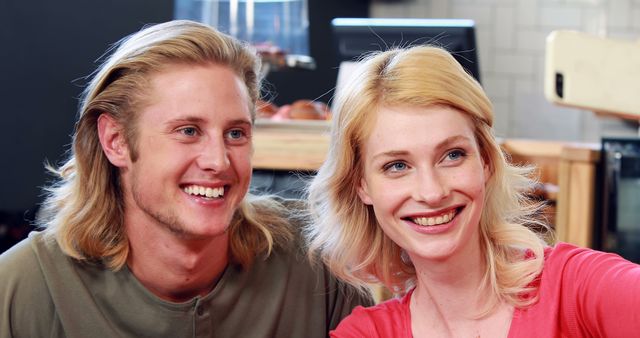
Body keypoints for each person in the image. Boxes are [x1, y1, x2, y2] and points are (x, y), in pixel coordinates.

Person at [0, 20, 371, 337]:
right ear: (115, 141)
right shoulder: (24, 289)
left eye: (236, 133)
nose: (218, 160)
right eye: (188, 131)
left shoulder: (316, 267)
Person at [304, 45, 640, 337]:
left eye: (453, 155)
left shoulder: (578, 288)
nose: (432, 192)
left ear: (487, 163)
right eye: (397, 166)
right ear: (362, 185)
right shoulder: (367, 333)